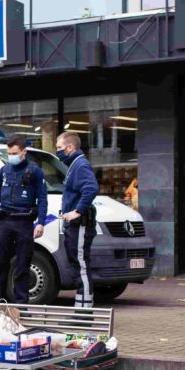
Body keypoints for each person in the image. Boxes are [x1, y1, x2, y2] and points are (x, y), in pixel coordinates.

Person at [0, 134, 48, 303]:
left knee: (22, 266)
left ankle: (21, 306)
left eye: (14, 153)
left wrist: (41, 223)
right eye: (9, 153)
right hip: (5, 222)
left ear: (23, 152)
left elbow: (43, 199)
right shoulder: (4, 171)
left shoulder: (35, 172)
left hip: (24, 223)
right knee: (0, 264)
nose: (11, 156)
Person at [56, 132, 99, 309]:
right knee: (77, 264)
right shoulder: (75, 165)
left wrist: (77, 211)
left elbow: (91, 188)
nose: (57, 151)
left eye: (59, 148)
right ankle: (81, 309)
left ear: (70, 147)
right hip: (74, 225)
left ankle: (84, 312)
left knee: (80, 265)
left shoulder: (80, 165)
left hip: (79, 225)